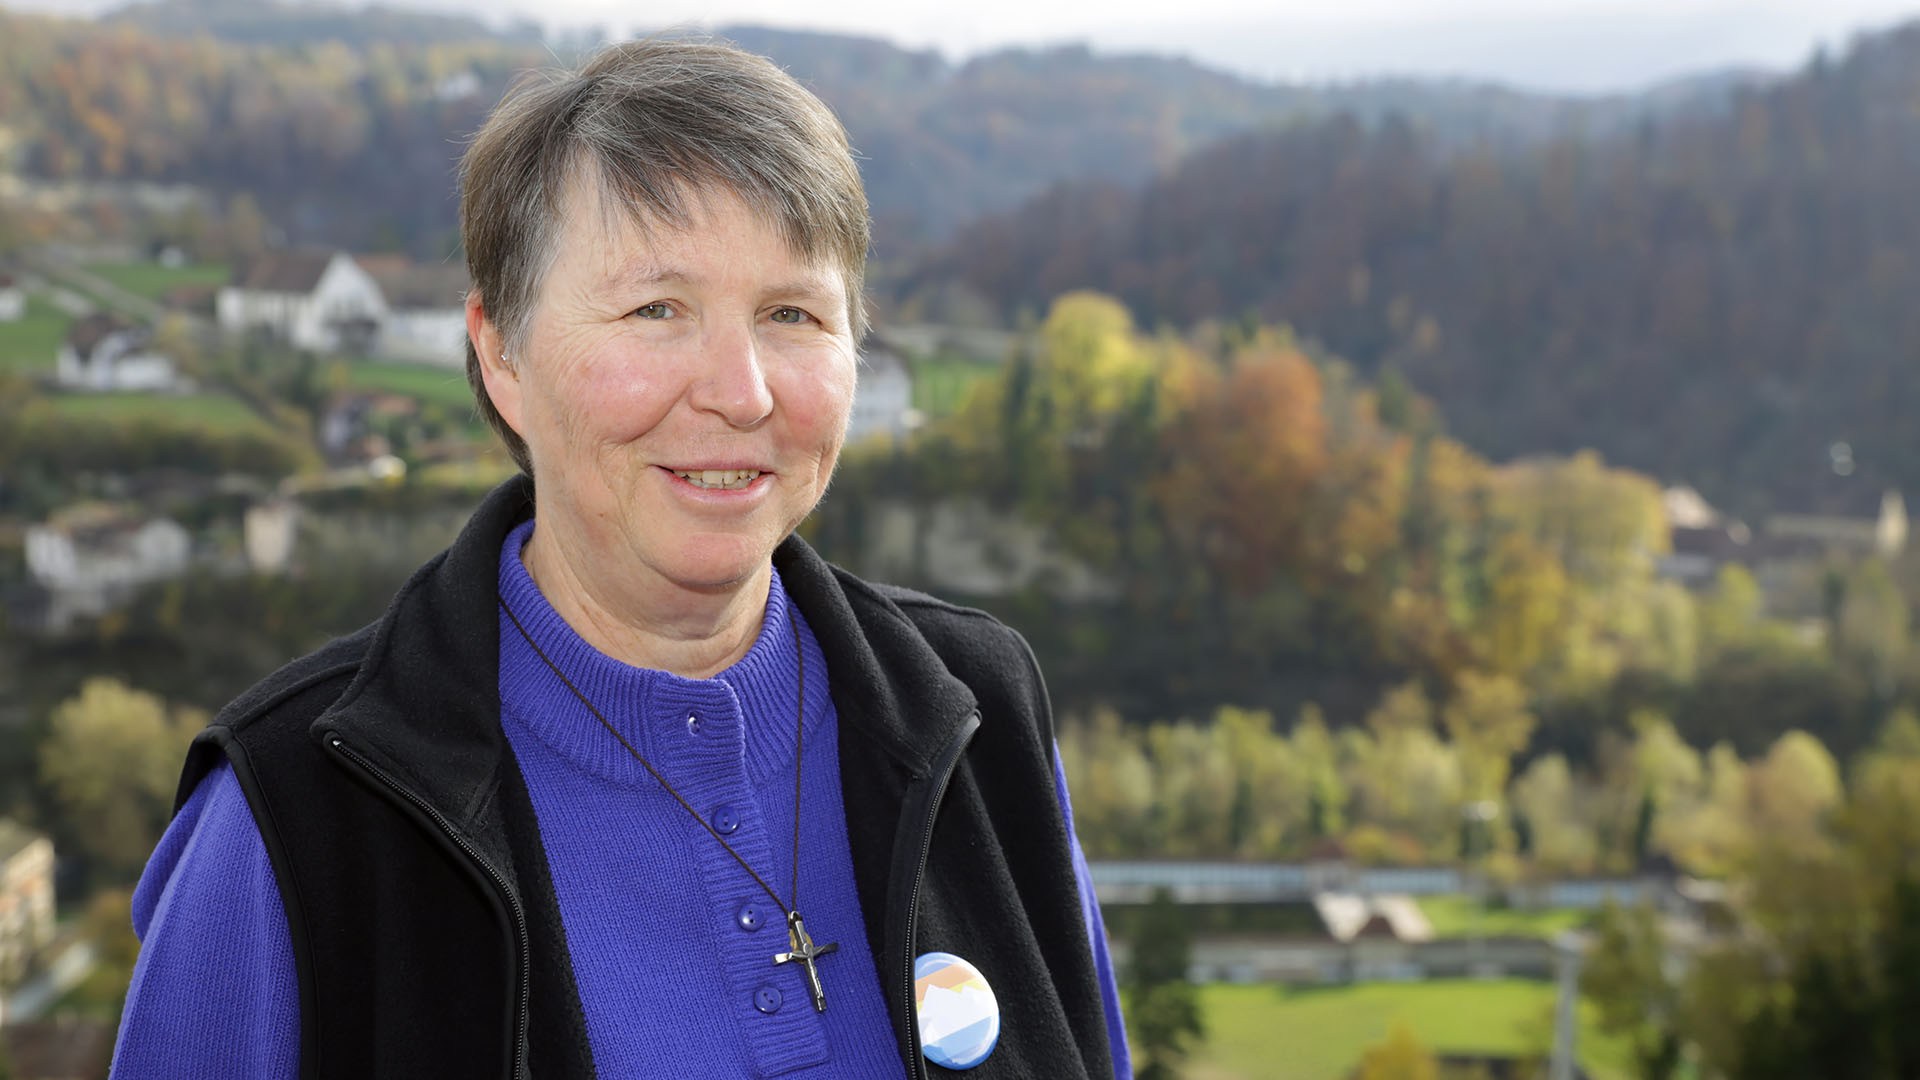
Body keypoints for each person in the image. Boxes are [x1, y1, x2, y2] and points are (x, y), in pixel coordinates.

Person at [109, 37, 1132, 1080]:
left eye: (792, 314)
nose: (742, 392)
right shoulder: (294, 821)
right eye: (657, 310)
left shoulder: (977, 714)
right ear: (500, 351)